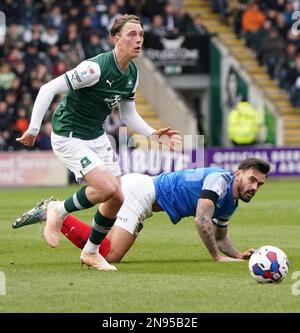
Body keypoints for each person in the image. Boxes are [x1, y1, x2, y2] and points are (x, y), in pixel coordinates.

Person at [16, 14, 182, 271]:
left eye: (140, 35)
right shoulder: (93, 68)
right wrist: (34, 128)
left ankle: (90, 253)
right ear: (116, 39)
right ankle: (57, 210)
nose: (138, 40)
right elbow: (47, 88)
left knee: (116, 197)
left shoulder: (132, 74)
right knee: (105, 188)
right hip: (69, 134)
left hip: (95, 134)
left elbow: (127, 115)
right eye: (131, 35)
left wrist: (152, 134)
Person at [13, 158, 270, 264]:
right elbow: (202, 219)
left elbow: (221, 236)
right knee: (110, 254)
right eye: (251, 179)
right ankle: (54, 212)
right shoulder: (220, 181)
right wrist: (217, 258)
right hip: (141, 192)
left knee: (106, 248)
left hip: (145, 195)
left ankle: (54, 212)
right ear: (238, 174)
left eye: (259, 184)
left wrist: (238, 256)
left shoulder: (231, 201)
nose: (254, 186)